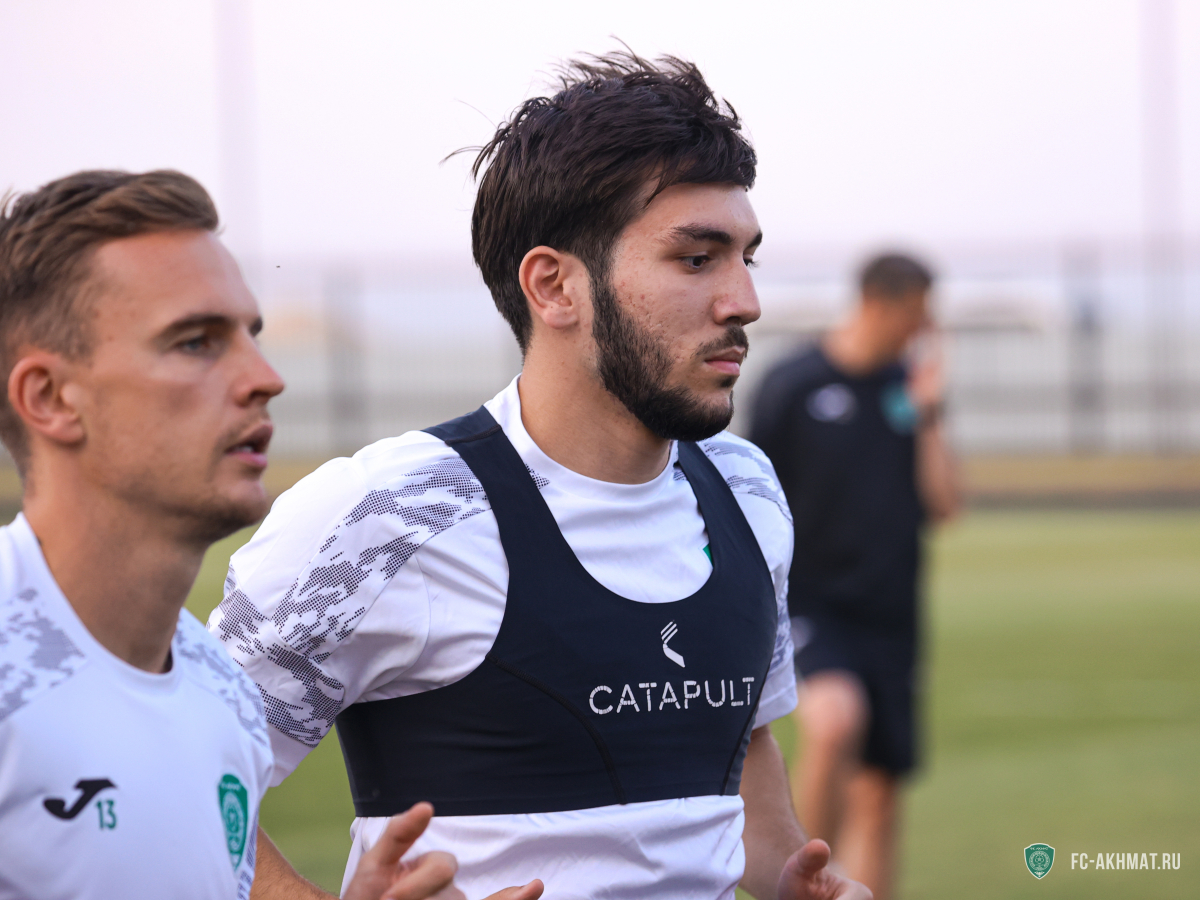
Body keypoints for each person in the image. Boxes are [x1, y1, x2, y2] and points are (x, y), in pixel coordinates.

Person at [209, 51, 870, 900]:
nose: (744, 300)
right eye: (697, 259)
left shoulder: (746, 491)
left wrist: (795, 879)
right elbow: (181, 770)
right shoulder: (397, 513)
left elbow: (738, 748)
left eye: (748, 257)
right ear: (554, 287)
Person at [0, 169, 506, 900]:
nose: (265, 378)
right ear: (49, 398)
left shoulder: (221, 697)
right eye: (195, 342)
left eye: (250, 336)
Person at [748, 253, 961, 900]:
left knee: (880, 794)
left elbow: (945, 504)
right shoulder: (794, 383)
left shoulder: (909, 389)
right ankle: (803, 880)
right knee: (837, 720)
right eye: (917, 313)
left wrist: (930, 413)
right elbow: (748, 493)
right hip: (812, 601)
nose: (924, 328)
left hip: (891, 612)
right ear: (878, 303)